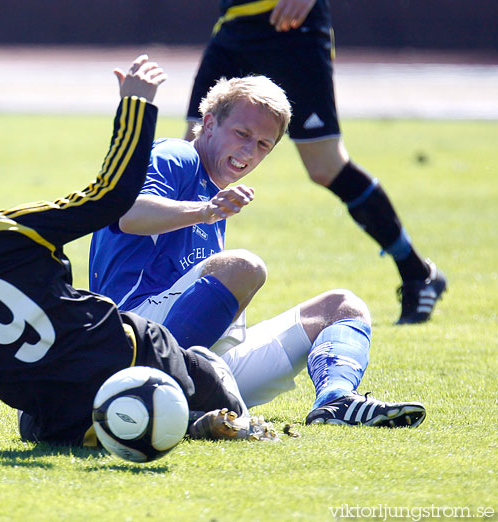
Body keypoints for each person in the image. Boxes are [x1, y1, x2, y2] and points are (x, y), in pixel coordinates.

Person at [0, 55, 275, 448]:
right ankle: (202, 417)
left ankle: (179, 421)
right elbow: (110, 197)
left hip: (60, 420)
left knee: (78, 419)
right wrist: (136, 106)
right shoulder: (8, 233)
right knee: (208, 380)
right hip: (136, 353)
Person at [89, 74, 426, 427]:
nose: (250, 152)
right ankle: (148, 395)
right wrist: (204, 211)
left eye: (264, 144)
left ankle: (335, 401)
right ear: (208, 123)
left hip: (200, 363)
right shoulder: (179, 155)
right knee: (243, 266)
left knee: (342, 307)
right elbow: (129, 213)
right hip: (131, 343)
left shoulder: (213, 191)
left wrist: (209, 210)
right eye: (242, 134)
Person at [183, 0, 446, 325]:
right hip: (235, 23)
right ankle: (170, 285)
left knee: (325, 166)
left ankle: (417, 273)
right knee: (195, 156)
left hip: (294, 25)